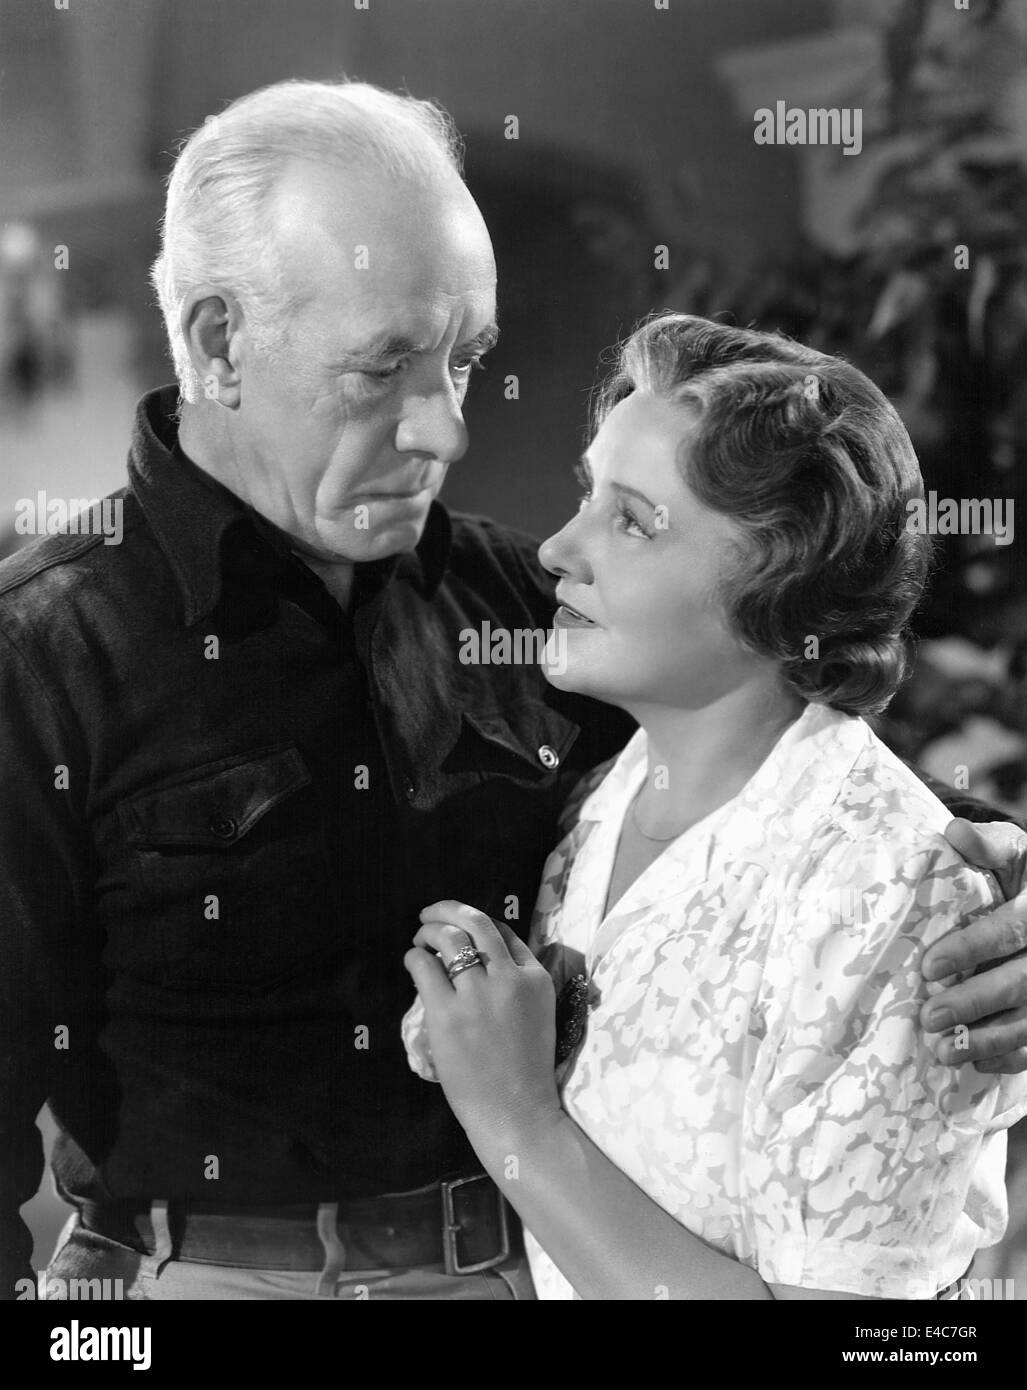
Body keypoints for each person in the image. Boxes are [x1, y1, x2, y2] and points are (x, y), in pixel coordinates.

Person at [0, 80, 1023, 1304]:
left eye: (465, 362)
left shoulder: (527, 606)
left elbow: (788, 791)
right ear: (220, 342)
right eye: (383, 369)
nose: (444, 430)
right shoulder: (45, 650)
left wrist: (984, 892)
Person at [402, 314, 1027, 1300]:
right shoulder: (596, 805)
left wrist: (515, 1119)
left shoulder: (903, 896)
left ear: (780, 575)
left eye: (633, 519)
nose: (557, 549)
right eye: (585, 495)